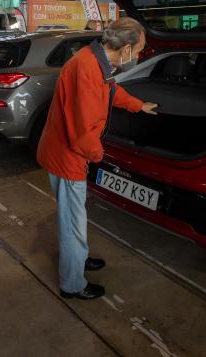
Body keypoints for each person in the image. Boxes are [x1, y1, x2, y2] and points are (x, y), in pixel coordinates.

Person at [36, 17, 158, 300]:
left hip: (62, 151)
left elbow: (111, 91)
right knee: (73, 222)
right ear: (125, 48)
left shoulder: (95, 59)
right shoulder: (89, 68)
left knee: (75, 218)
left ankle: (78, 258)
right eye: (138, 51)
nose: (138, 56)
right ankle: (73, 284)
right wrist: (101, 158)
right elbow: (82, 135)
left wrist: (139, 106)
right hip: (67, 158)